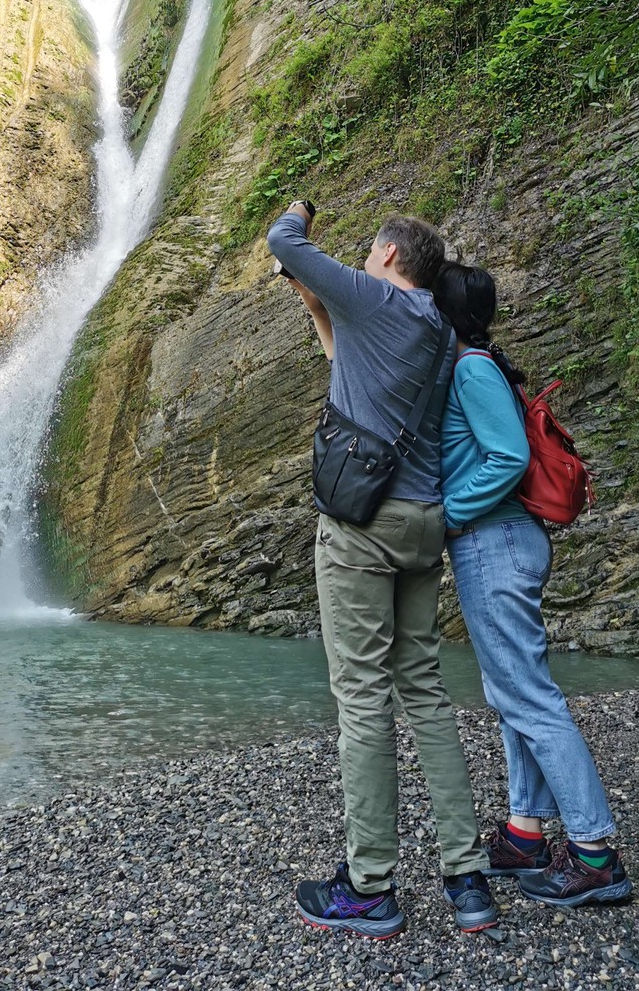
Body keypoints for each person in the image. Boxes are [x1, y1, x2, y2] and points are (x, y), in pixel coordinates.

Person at [266, 201, 499, 939]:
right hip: (425, 522)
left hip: (362, 526)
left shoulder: (375, 296)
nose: (364, 263)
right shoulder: (434, 328)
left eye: (370, 252)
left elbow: (284, 239)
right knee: (424, 692)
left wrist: (301, 208)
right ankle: (467, 879)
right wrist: (310, 300)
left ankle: (370, 886)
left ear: (391, 255)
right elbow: (344, 362)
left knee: (362, 700)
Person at [432, 260, 632, 907]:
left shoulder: (470, 368)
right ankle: (524, 834)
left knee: (531, 698)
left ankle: (596, 852)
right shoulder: (475, 363)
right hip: (503, 546)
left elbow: (510, 458)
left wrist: (450, 517)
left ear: (443, 312)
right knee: (513, 691)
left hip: (496, 543)